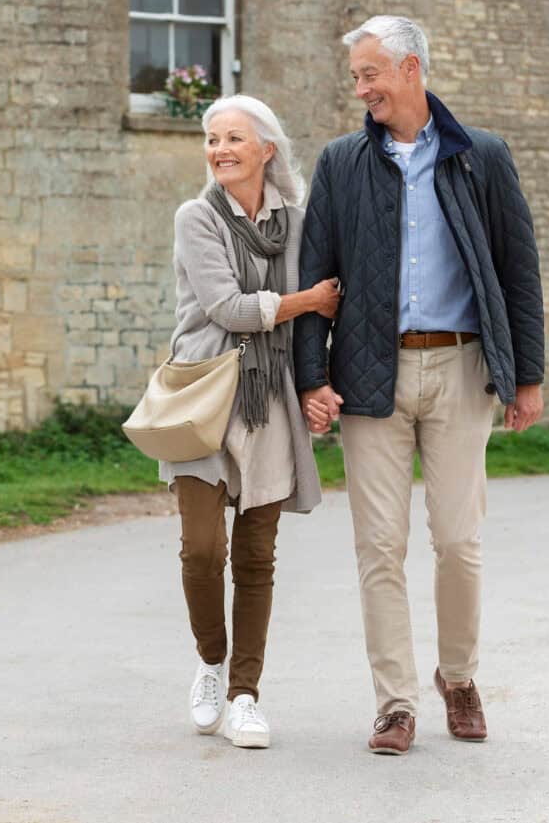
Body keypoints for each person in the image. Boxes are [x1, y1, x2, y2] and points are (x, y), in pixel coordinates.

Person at [294, 15, 544, 755]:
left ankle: (458, 676)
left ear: (410, 70)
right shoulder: (341, 162)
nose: (361, 88)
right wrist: (312, 375)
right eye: (357, 77)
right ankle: (395, 701)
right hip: (370, 371)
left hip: (463, 368)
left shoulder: (481, 156)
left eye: (370, 73)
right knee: (379, 545)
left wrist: (527, 374)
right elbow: (314, 274)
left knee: (459, 541)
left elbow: (518, 268)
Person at [160, 94, 339, 748]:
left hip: (270, 398)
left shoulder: (296, 220)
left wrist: (319, 383)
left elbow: (323, 311)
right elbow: (227, 306)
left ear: (266, 148)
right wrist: (308, 299)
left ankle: (243, 693)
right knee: (203, 547)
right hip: (203, 393)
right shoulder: (196, 217)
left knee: (257, 556)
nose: (220, 150)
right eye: (212, 139)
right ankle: (210, 660)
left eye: (234, 138)